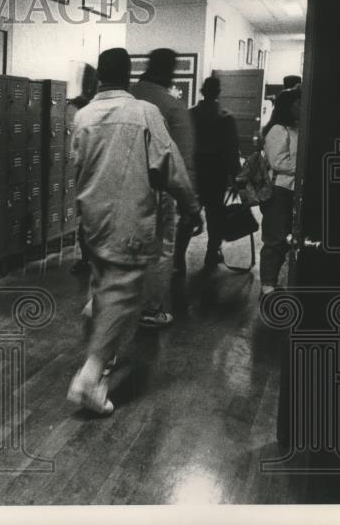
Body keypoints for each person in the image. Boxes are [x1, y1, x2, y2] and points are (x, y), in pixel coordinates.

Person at [67, 48, 202, 415]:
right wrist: (191, 207)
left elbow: (78, 167)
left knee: (109, 285)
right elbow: (170, 166)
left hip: (94, 222)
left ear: (99, 78)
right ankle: (91, 378)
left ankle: (97, 323)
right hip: (131, 220)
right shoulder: (145, 113)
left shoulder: (83, 116)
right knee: (124, 295)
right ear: (128, 77)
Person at [128, 48, 198, 328]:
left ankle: (113, 304)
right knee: (159, 251)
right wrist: (191, 204)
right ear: (171, 72)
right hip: (157, 191)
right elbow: (180, 161)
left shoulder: (127, 98)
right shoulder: (172, 107)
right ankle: (149, 310)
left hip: (119, 185)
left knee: (122, 250)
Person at [176, 76, 241, 270]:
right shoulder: (225, 116)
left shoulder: (190, 114)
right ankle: (212, 253)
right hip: (216, 170)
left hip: (195, 169)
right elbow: (231, 149)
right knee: (215, 215)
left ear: (202, 91)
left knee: (188, 213)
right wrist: (235, 177)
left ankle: (179, 257)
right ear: (218, 92)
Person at [259, 86, 301, 295]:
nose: (301, 107)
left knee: (284, 239)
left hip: (292, 189)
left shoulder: (296, 128)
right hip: (279, 190)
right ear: (288, 106)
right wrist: (304, 168)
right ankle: (267, 284)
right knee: (274, 238)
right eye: (298, 103)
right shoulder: (278, 129)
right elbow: (278, 162)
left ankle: (272, 281)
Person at [67, 63, 97, 275]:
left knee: (88, 219)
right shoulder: (88, 105)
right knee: (87, 219)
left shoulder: (89, 106)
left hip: (90, 170)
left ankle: (89, 259)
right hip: (90, 170)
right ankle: (88, 259)